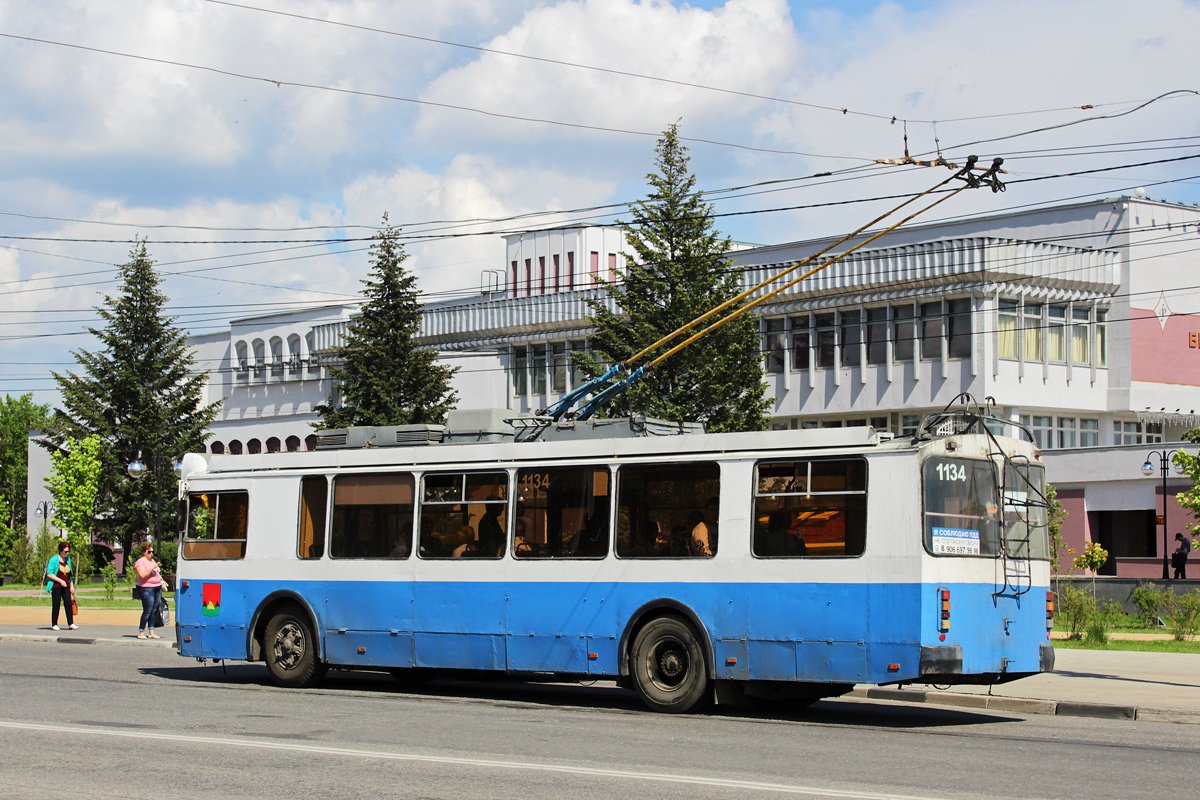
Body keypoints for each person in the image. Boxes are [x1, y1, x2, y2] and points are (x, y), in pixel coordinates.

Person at [44, 540, 78, 631]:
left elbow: (69, 574)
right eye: (65, 551)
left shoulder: (68, 559)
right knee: (56, 604)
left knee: (68, 603)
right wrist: (60, 581)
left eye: (68, 551)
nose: (67, 553)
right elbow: (49, 574)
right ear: (60, 550)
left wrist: (71, 585)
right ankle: (54, 623)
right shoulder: (54, 560)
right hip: (56, 586)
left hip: (66, 586)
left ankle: (71, 623)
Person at [134, 543, 164, 639]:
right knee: (148, 610)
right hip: (146, 588)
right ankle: (141, 632)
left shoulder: (152, 561)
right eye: (149, 552)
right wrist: (152, 567)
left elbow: (157, 572)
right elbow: (142, 575)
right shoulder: (140, 562)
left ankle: (151, 631)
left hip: (157, 587)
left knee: (154, 610)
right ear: (143, 552)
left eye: (152, 552)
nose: (151, 554)